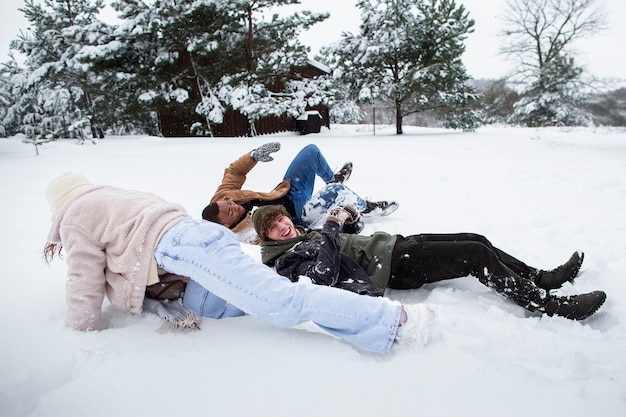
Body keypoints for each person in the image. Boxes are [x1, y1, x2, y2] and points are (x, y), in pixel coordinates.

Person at [42, 172, 434, 354]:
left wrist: (80, 332)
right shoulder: (111, 195)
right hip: (188, 255)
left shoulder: (76, 216)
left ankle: (394, 320)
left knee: (280, 302)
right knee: (237, 304)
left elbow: (84, 280)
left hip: (184, 248)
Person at [251, 204, 607, 321]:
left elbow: (344, 241)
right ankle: (548, 305)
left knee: (477, 240)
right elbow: (324, 275)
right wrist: (330, 228)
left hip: (393, 244)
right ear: (266, 237)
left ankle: (541, 278)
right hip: (392, 266)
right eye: (274, 227)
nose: (283, 226)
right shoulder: (286, 260)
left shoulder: (300, 237)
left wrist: (347, 218)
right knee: (475, 256)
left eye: (281, 219)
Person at [201, 142, 398, 243]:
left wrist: (253, 156)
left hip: (287, 192)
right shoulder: (241, 236)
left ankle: (331, 177)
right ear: (225, 226)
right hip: (299, 215)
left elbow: (234, 172)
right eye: (230, 212)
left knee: (310, 151)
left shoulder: (222, 198)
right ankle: (366, 207)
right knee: (336, 192)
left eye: (229, 203)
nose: (233, 206)